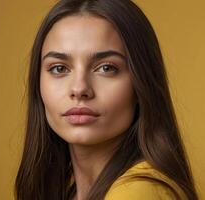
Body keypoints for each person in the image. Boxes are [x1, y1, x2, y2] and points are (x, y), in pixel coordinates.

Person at [15, 0, 199, 199]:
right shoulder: (68, 192)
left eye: (106, 68)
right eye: (59, 68)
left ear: (141, 83)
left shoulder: (139, 193)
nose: (79, 89)